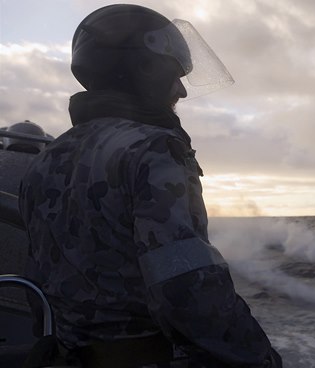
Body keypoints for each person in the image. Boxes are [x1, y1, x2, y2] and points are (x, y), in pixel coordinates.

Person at [19, 4, 282, 367]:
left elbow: (39, 279)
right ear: (142, 68)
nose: (182, 91)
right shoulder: (154, 148)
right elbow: (186, 289)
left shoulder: (46, 159)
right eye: (175, 74)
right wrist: (261, 357)